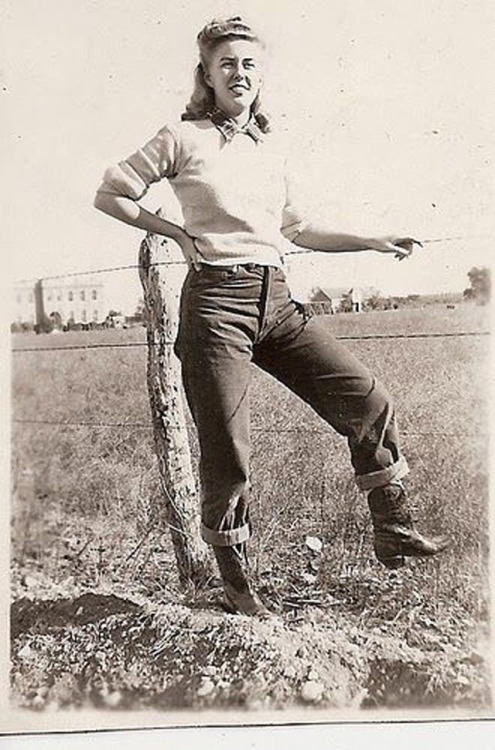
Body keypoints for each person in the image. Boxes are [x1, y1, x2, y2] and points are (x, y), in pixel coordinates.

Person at [94, 16, 449, 616]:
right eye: (226, 63)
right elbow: (111, 193)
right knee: (229, 449)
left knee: (367, 398)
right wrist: (177, 234)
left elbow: (299, 229)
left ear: (262, 76)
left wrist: (373, 239)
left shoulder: (270, 147)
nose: (239, 73)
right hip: (216, 304)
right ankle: (238, 584)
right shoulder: (181, 138)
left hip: (278, 302)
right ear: (206, 73)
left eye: (250, 64)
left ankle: (393, 526)